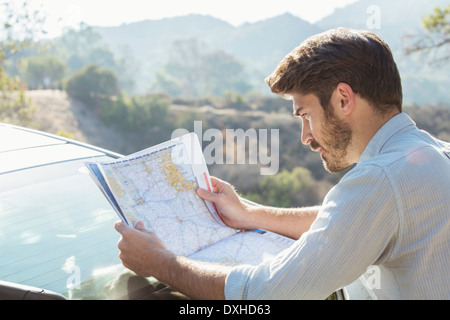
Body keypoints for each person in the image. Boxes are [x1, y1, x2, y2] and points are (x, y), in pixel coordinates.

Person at [115, 27, 450, 300]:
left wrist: (159, 261)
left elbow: (263, 295)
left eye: (305, 115)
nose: (306, 136)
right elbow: (346, 220)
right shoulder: (430, 155)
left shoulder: (381, 180)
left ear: (343, 99)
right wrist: (252, 215)